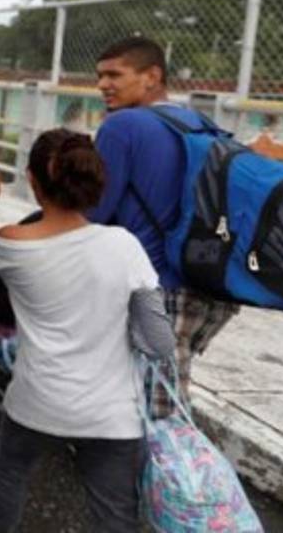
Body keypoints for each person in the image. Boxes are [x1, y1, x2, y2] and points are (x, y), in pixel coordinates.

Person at [0, 129, 175, 533]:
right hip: (111, 414)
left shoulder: (9, 244)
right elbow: (159, 342)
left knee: (10, 477)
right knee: (115, 516)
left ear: (32, 181)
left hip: (35, 400)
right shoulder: (125, 246)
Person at [88, 36, 239, 408]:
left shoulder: (121, 125)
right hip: (209, 283)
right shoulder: (199, 123)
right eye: (100, 76)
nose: (103, 84)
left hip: (156, 286)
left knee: (157, 417)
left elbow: (93, 210)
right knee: (160, 398)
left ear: (152, 76)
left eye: (114, 75)